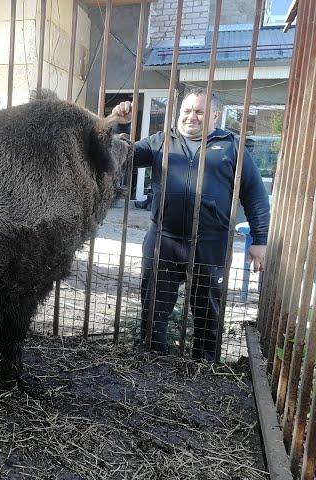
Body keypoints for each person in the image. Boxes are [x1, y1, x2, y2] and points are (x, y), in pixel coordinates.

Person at [106, 88, 270, 361]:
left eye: (199, 111)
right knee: (154, 309)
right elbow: (120, 157)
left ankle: (204, 368)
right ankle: (151, 361)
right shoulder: (161, 141)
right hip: (164, 241)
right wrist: (115, 123)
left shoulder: (231, 146)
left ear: (215, 116)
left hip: (211, 244)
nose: (191, 116)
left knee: (208, 311)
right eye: (186, 110)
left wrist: (260, 241)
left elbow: (255, 195)